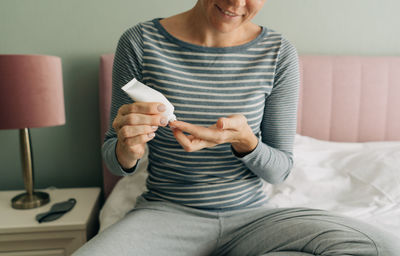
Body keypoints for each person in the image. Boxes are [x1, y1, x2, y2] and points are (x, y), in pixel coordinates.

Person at [74, 0, 399, 255]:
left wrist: (247, 143)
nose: (236, 2)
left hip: (252, 221)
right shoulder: (140, 42)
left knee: (383, 247)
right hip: (166, 214)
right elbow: (113, 157)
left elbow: (281, 170)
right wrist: (127, 149)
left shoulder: (278, 54)